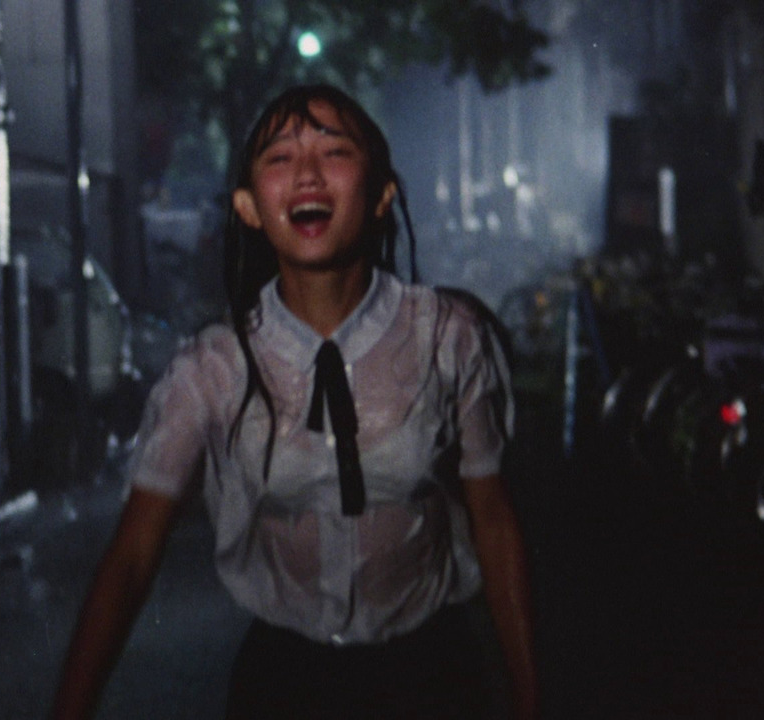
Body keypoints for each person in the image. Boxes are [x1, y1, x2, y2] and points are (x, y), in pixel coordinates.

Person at [51, 84, 538, 720]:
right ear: (250, 207)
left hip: (430, 676)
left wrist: (530, 698)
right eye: (279, 157)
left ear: (382, 194)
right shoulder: (212, 370)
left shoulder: (450, 337)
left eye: (334, 152)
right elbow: (132, 557)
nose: (307, 174)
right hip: (284, 686)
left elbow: (494, 520)